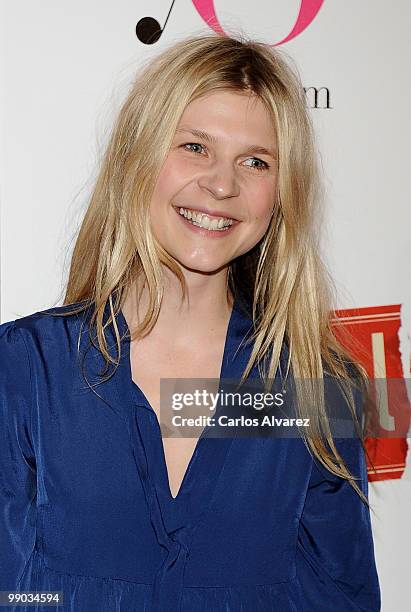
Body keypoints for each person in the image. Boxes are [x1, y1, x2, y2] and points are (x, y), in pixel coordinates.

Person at [0, 32, 381, 611]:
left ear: (282, 194)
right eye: (195, 147)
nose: (223, 185)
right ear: (139, 156)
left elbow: (339, 598)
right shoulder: (27, 368)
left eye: (256, 162)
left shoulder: (315, 387)